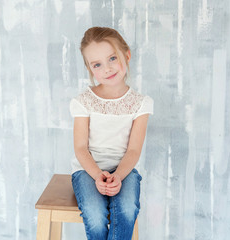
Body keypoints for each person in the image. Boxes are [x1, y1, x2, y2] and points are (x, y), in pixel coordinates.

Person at [69, 26, 154, 240]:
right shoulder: (83, 102)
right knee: (96, 216)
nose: (107, 68)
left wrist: (117, 176)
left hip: (124, 169)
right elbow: (80, 148)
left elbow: (134, 150)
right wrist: (99, 176)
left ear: (127, 55)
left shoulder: (140, 104)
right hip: (88, 170)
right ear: (90, 69)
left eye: (112, 58)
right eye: (97, 64)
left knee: (126, 210)